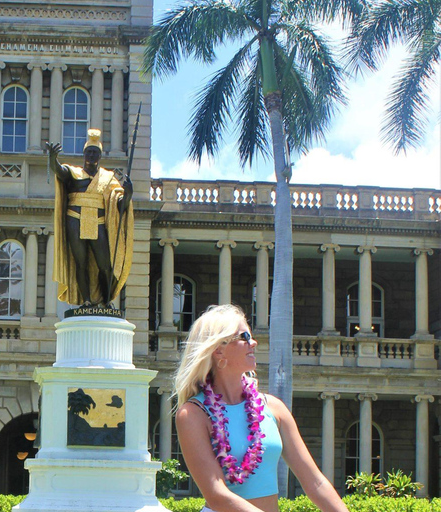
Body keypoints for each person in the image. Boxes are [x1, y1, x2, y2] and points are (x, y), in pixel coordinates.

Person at [173, 305, 348, 512]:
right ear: (219, 349)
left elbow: (315, 482)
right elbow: (217, 495)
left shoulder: (273, 408)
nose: (253, 342)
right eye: (244, 336)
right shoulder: (193, 414)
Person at [47, 128, 134, 307]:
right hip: (75, 219)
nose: (92, 155)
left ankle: (106, 300)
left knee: (105, 265)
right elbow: (59, 170)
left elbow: (119, 206)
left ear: (100, 156)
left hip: (98, 222)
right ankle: (86, 300)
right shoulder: (74, 173)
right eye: (89, 152)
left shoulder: (108, 178)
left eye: (95, 152)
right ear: (84, 154)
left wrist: (128, 194)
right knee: (81, 263)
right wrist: (52, 158)